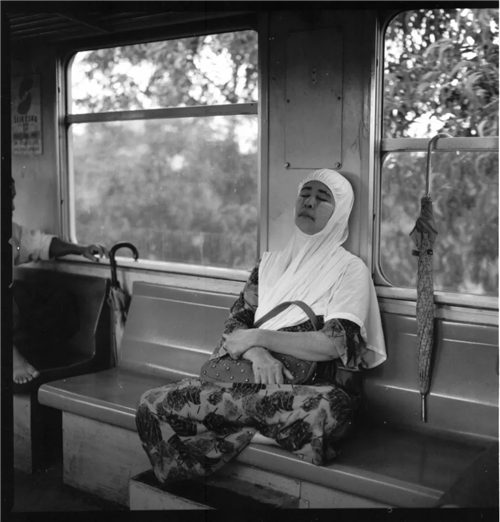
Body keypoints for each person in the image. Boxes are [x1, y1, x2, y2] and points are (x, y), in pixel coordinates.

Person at [135, 168, 386, 484]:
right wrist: (257, 354)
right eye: (305, 194)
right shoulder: (268, 265)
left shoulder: (350, 269)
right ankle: (258, 432)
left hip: (305, 387)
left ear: (340, 213)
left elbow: (333, 343)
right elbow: (234, 328)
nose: (309, 202)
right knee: (150, 404)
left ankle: (228, 428)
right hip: (247, 383)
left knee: (330, 408)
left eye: (323, 198)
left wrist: (259, 337)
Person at [10, 178, 108, 384]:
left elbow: (38, 244)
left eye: (12, 199)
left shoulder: (8, 231)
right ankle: (10, 354)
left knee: (58, 301)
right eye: (6, 199)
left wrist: (80, 249)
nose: (12, 207)